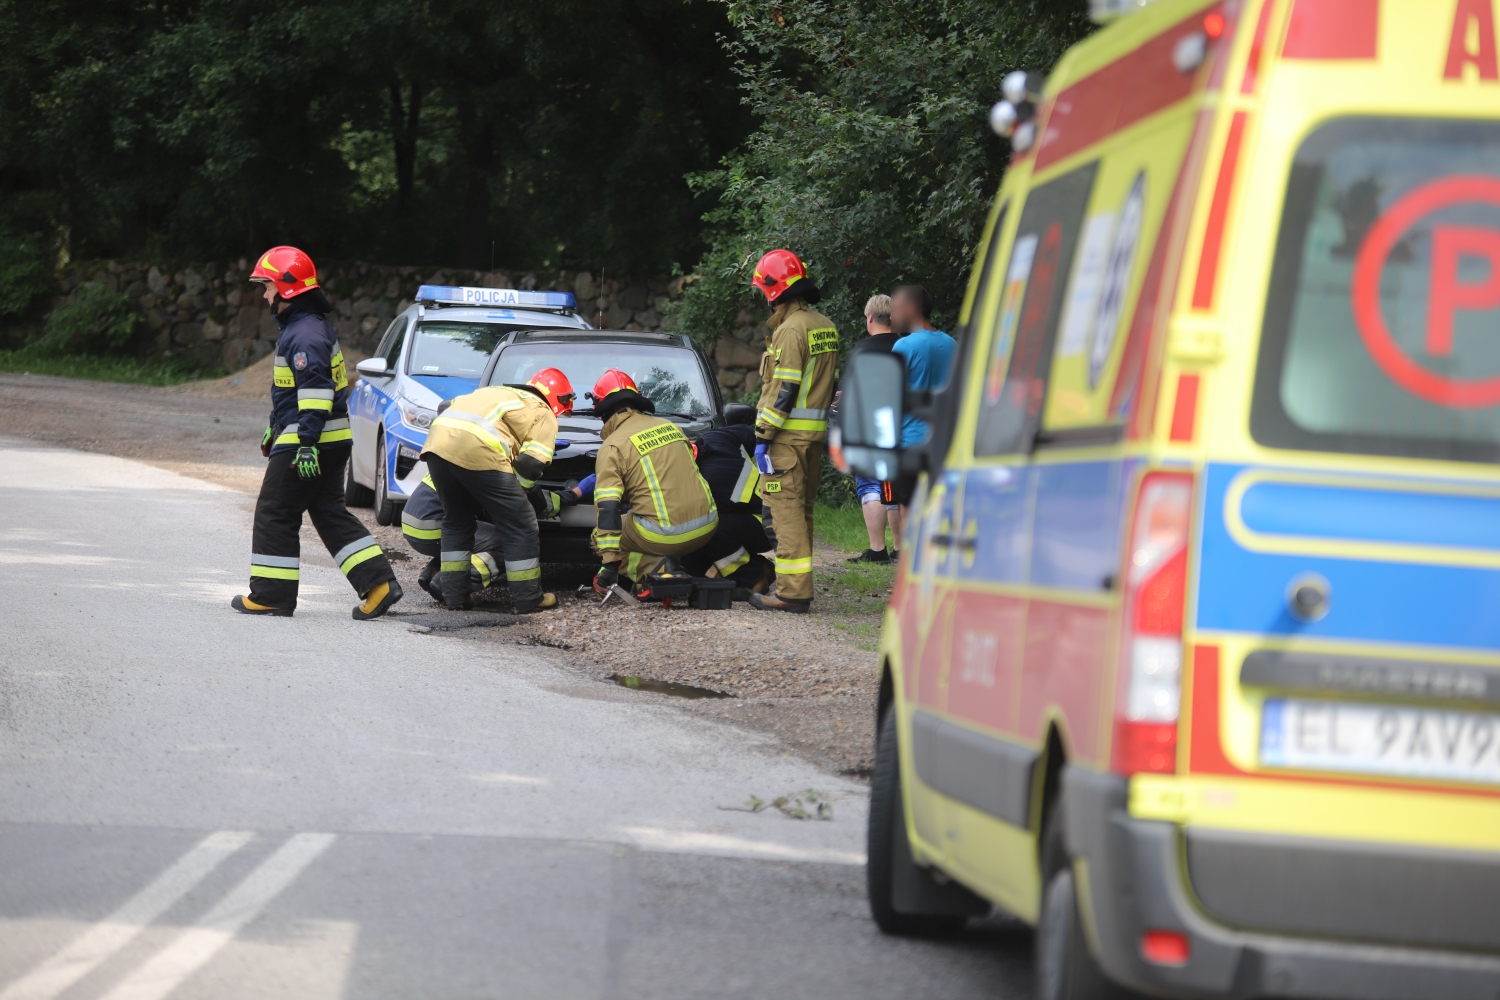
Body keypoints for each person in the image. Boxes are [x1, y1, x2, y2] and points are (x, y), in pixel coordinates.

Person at [232, 246, 402, 620]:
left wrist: (304, 443)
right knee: (327, 510)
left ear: (287, 288)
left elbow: (316, 393)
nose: (264, 295)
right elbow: (296, 392)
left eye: (268, 286)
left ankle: (271, 595)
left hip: (310, 441)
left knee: (275, 511)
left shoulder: (304, 334)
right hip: (328, 438)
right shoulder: (308, 328)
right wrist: (273, 427)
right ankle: (379, 584)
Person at [419, 368, 574, 612]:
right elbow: (530, 464)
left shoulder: (495, 393)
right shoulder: (542, 410)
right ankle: (528, 599)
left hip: (437, 445)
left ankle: (455, 597)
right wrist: (520, 496)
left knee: (456, 521)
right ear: (559, 400)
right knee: (521, 525)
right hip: (479, 450)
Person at [746, 249, 839, 614]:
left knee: (785, 514)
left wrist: (763, 434)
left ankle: (791, 593)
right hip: (813, 436)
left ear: (774, 289)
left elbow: (783, 390)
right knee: (803, 512)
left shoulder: (789, 330)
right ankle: (797, 585)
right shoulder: (824, 325)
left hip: (785, 439)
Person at [588, 369, 718, 594]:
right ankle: (665, 562)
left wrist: (609, 563)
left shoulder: (613, 446)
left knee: (599, 534)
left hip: (664, 536)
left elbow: (608, 508)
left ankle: (650, 571)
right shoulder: (673, 428)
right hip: (708, 526)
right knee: (641, 519)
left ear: (602, 411)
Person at [683, 405, 776, 598]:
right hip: (774, 513)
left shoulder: (700, 484)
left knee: (705, 529)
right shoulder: (715, 437)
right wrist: (770, 471)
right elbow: (757, 437)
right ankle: (761, 567)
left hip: (766, 523)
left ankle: (752, 578)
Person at [889, 284, 957, 512]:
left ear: (911, 309)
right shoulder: (952, 345)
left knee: (910, 516)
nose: (891, 316)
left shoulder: (905, 345)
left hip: (910, 445)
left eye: (895, 309)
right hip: (945, 445)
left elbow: (890, 396)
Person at [846, 294, 903, 563]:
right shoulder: (906, 345)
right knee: (894, 488)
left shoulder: (863, 349)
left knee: (870, 486)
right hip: (901, 425)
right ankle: (902, 550)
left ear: (870, 318)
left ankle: (877, 550)